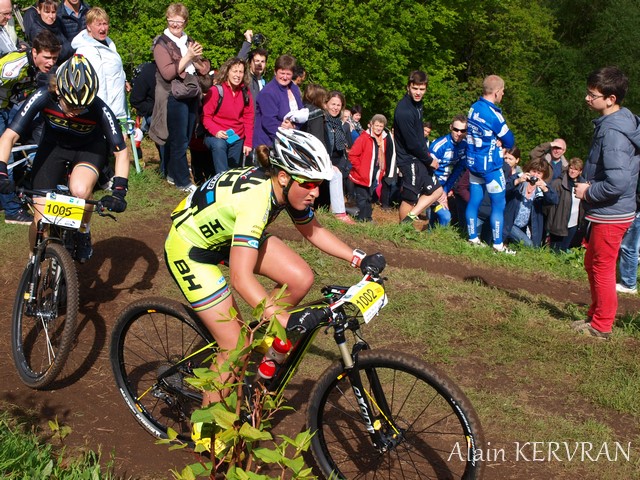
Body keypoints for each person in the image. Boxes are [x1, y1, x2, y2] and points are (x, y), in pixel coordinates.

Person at [164, 128, 385, 410]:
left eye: (318, 184)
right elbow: (240, 278)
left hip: (225, 234)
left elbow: (313, 231)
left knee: (300, 277)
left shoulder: (285, 188)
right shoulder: (256, 201)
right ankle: (210, 437)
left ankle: (264, 350)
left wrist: (358, 258)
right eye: (309, 184)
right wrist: (281, 319)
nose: (315, 193)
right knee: (235, 347)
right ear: (284, 176)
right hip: (190, 249)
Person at [0, 54, 129, 262]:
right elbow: (9, 136)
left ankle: (83, 230)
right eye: (70, 104)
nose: (75, 111)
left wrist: (119, 191)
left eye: (82, 107)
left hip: (88, 148)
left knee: (80, 190)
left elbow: (121, 151)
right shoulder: (43, 95)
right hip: (54, 148)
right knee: (40, 219)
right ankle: (33, 261)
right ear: (58, 89)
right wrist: (1, 171)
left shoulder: (98, 107)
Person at [573, 66, 640, 340]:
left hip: (612, 213)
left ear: (611, 99)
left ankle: (601, 325)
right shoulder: (620, 121)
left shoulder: (613, 132)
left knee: (601, 266)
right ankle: (595, 315)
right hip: (610, 211)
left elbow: (618, 182)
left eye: (593, 95)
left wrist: (588, 192)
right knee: (593, 263)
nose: (587, 99)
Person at [0, 30, 61, 225]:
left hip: (7, 107)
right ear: (34, 53)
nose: (51, 62)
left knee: (18, 151)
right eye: (47, 57)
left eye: (54, 58)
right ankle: (11, 211)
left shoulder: (39, 66)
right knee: (5, 156)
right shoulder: (14, 66)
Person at [148, 3, 210, 193]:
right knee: (179, 140)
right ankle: (183, 181)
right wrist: (189, 56)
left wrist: (197, 60)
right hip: (172, 95)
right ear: (167, 20)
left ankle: (172, 174)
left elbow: (204, 68)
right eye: (172, 21)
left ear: (185, 22)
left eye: (179, 22)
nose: (175, 25)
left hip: (191, 92)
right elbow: (167, 73)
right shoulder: (161, 43)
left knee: (187, 136)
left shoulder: (188, 40)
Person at [465, 75, 516, 253]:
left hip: (473, 163)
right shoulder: (494, 115)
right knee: (498, 204)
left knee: (475, 200)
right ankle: (497, 245)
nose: (502, 95)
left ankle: (472, 238)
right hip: (490, 167)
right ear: (496, 92)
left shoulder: (473, 108)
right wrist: (498, 141)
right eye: (502, 92)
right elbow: (509, 141)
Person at [392, 70, 443, 225]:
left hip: (420, 157)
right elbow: (412, 143)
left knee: (436, 191)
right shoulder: (404, 111)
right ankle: (403, 229)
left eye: (421, 89)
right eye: (415, 88)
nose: (418, 93)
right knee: (410, 198)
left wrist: (427, 155)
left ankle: (407, 222)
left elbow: (419, 135)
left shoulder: (418, 105)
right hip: (409, 160)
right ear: (408, 87)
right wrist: (429, 160)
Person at [71, 7, 128, 122]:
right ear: (88, 27)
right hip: (99, 111)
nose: (103, 28)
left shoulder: (109, 43)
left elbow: (114, 67)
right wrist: (102, 112)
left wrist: (124, 79)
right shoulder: (84, 50)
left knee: (120, 139)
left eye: (105, 24)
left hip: (117, 107)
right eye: (98, 25)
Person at [201, 57, 254, 175]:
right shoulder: (216, 91)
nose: (238, 75)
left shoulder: (245, 92)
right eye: (234, 71)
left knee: (233, 169)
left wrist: (248, 142)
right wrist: (216, 131)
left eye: (241, 72)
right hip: (217, 135)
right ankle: (221, 185)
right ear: (227, 71)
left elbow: (248, 118)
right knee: (220, 151)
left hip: (237, 136)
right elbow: (206, 117)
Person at [348, 114, 395, 222]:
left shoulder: (383, 139)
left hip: (374, 172)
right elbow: (353, 155)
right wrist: (360, 168)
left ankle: (368, 217)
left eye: (381, 126)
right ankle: (361, 218)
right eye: (377, 125)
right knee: (362, 197)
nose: (378, 128)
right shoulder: (364, 137)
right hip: (362, 173)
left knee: (369, 197)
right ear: (372, 125)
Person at [503, 157, 558, 248]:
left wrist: (545, 189)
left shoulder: (542, 187)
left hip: (523, 226)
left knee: (532, 247)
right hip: (509, 223)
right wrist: (518, 181)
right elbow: (503, 189)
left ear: (543, 175)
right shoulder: (519, 176)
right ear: (529, 170)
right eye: (533, 171)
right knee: (529, 245)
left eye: (539, 173)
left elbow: (554, 200)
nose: (535, 175)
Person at [252, 54, 302, 147]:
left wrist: (294, 126)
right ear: (275, 72)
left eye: (288, 74)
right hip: (269, 143)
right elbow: (269, 122)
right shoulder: (268, 92)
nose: (285, 77)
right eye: (282, 73)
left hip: (290, 139)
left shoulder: (294, 88)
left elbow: (301, 113)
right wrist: (285, 133)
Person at [428, 114, 468, 226]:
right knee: (446, 217)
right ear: (451, 127)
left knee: (435, 218)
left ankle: (431, 239)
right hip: (430, 185)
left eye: (462, 130)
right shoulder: (439, 146)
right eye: (456, 129)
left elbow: (457, 171)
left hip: (444, 187)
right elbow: (427, 171)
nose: (459, 133)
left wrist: (445, 190)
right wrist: (439, 191)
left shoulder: (465, 146)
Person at [324, 89, 356, 224]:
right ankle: (336, 214)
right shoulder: (322, 121)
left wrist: (343, 163)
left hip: (339, 161)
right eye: (333, 104)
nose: (336, 108)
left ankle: (333, 214)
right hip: (326, 160)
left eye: (338, 105)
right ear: (326, 104)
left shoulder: (340, 124)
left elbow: (344, 146)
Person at [545, 157, 584, 252]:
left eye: (576, 169)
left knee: (564, 250)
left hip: (574, 224)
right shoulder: (558, 183)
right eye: (571, 168)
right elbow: (549, 203)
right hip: (559, 223)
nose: (572, 171)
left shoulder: (583, 185)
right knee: (555, 251)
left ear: (580, 171)